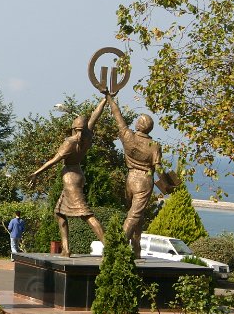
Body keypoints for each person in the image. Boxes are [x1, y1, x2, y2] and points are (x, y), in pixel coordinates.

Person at [29, 97, 108, 256]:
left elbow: (54, 160)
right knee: (59, 213)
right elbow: (95, 116)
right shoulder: (88, 135)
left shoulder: (70, 142)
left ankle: (109, 246)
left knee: (86, 213)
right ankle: (66, 249)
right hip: (77, 173)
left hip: (70, 177)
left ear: (73, 128)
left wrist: (36, 173)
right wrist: (105, 99)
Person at [106, 92, 162, 258]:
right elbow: (158, 167)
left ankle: (136, 247)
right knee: (134, 214)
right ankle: (117, 249)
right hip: (144, 180)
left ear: (139, 126)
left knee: (138, 214)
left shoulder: (128, 137)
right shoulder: (154, 145)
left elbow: (118, 116)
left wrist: (109, 98)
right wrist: (167, 180)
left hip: (130, 179)